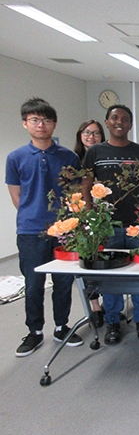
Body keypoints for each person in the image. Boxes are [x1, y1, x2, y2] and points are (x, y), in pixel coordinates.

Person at [6, 97, 83, 356]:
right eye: (35, 120)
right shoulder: (15, 157)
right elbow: (16, 195)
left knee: (63, 281)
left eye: (46, 120)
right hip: (31, 231)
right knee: (34, 283)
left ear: (54, 124)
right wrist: (33, 216)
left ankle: (62, 326)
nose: (41, 125)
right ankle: (35, 332)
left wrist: (65, 224)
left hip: (65, 230)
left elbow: (75, 194)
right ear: (25, 123)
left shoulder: (69, 156)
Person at [82, 104, 139, 345]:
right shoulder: (95, 152)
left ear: (130, 124)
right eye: (115, 118)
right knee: (111, 277)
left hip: (137, 223)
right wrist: (90, 212)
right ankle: (113, 322)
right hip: (108, 225)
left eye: (125, 119)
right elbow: (86, 184)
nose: (120, 122)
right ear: (107, 121)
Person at [73, 119, 106, 325]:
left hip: (104, 215)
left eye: (95, 133)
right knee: (87, 259)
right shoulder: (74, 160)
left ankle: (108, 305)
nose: (91, 137)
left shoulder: (104, 156)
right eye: (87, 132)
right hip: (83, 216)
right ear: (80, 135)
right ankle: (95, 307)